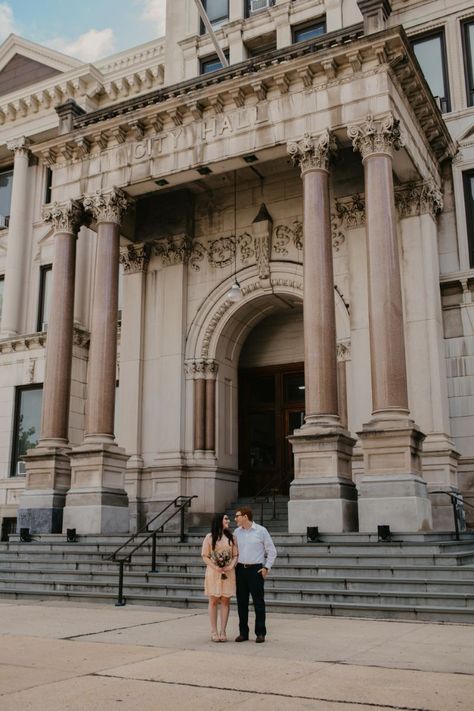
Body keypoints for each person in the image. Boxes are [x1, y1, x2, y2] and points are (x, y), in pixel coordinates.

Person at [233, 506, 277, 643]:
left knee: (258, 602)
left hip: (255, 570)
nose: (235, 519)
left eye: (237, 516)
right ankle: (243, 633)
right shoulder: (236, 532)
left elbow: (272, 551)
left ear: (245, 516)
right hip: (240, 570)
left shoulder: (261, 531)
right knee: (241, 603)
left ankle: (260, 633)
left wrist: (266, 568)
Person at [201, 513, 238, 642]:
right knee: (213, 600)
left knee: (226, 600)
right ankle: (214, 631)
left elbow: (235, 555)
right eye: (226, 518)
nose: (228, 520)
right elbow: (205, 555)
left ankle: (223, 631)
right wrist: (215, 566)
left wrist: (231, 566)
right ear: (219, 521)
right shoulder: (209, 537)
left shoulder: (232, 537)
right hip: (213, 572)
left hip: (228, 572)